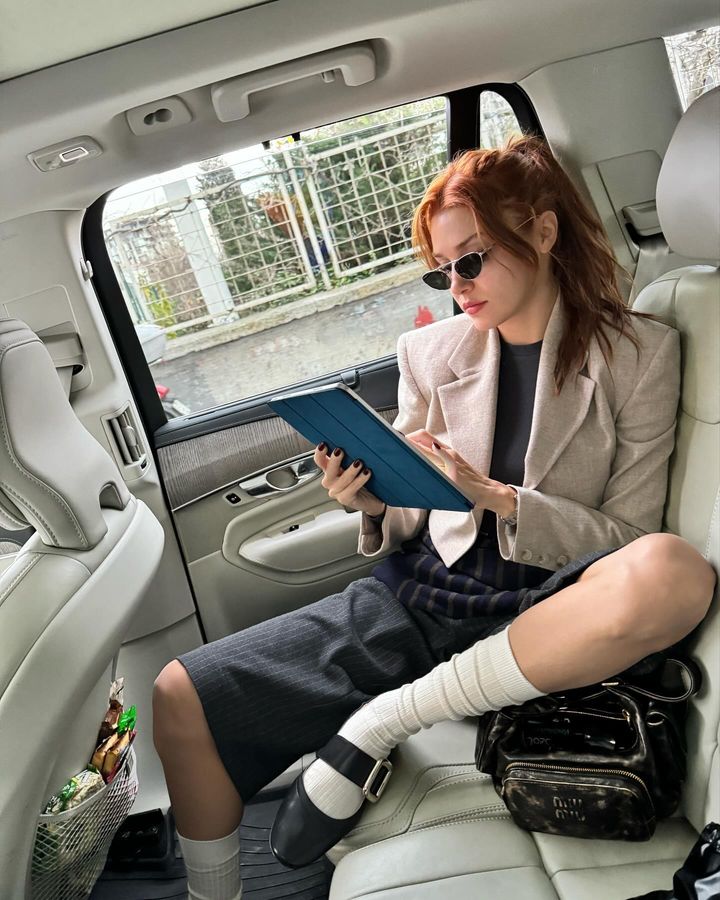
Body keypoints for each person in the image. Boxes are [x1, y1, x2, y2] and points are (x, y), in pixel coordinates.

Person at [153, 135, 716, 900]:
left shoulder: (641, 354)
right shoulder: (427, 352)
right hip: (424, 598)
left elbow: (630, 538)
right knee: (180, 694)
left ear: (543, 232)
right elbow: (414, 513)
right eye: (441, 269)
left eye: (471, 261)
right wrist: (372, 501)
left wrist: (497, 497)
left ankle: (380, 722)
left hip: (551, 607)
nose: (457, 285)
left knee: (670, 570)